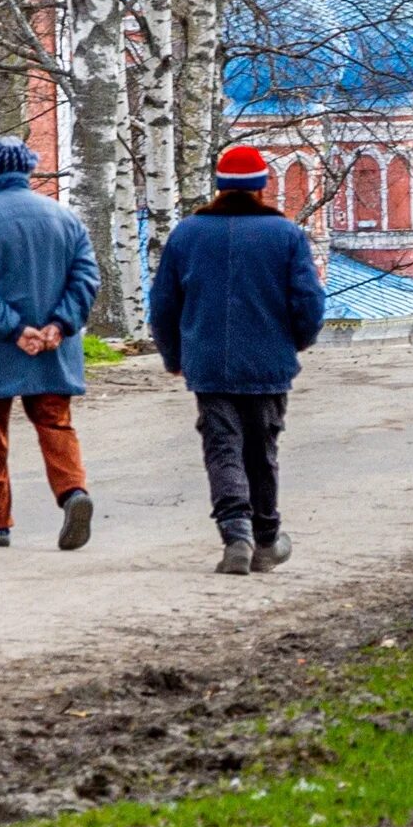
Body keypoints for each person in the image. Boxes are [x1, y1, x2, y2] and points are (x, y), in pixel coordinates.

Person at [148, 143, 325, 576]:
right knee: (262, 449)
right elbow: (309, 301)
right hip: (268, 362)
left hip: (207, 363)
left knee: (222, 447)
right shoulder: (285, 235)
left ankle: (236, 534)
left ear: (220, 186)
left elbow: (163, 305)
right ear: (262, 186)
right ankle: (266, 538)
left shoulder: (187, 234)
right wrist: (297, 341)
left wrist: (174, 355)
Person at [0, 137, 101, 551]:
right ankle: (73, 493)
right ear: (29, 171)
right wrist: (58, 325)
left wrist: (15, 329)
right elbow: (87, 278)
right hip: (54, 347)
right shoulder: (66, 220)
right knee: (55, 422)